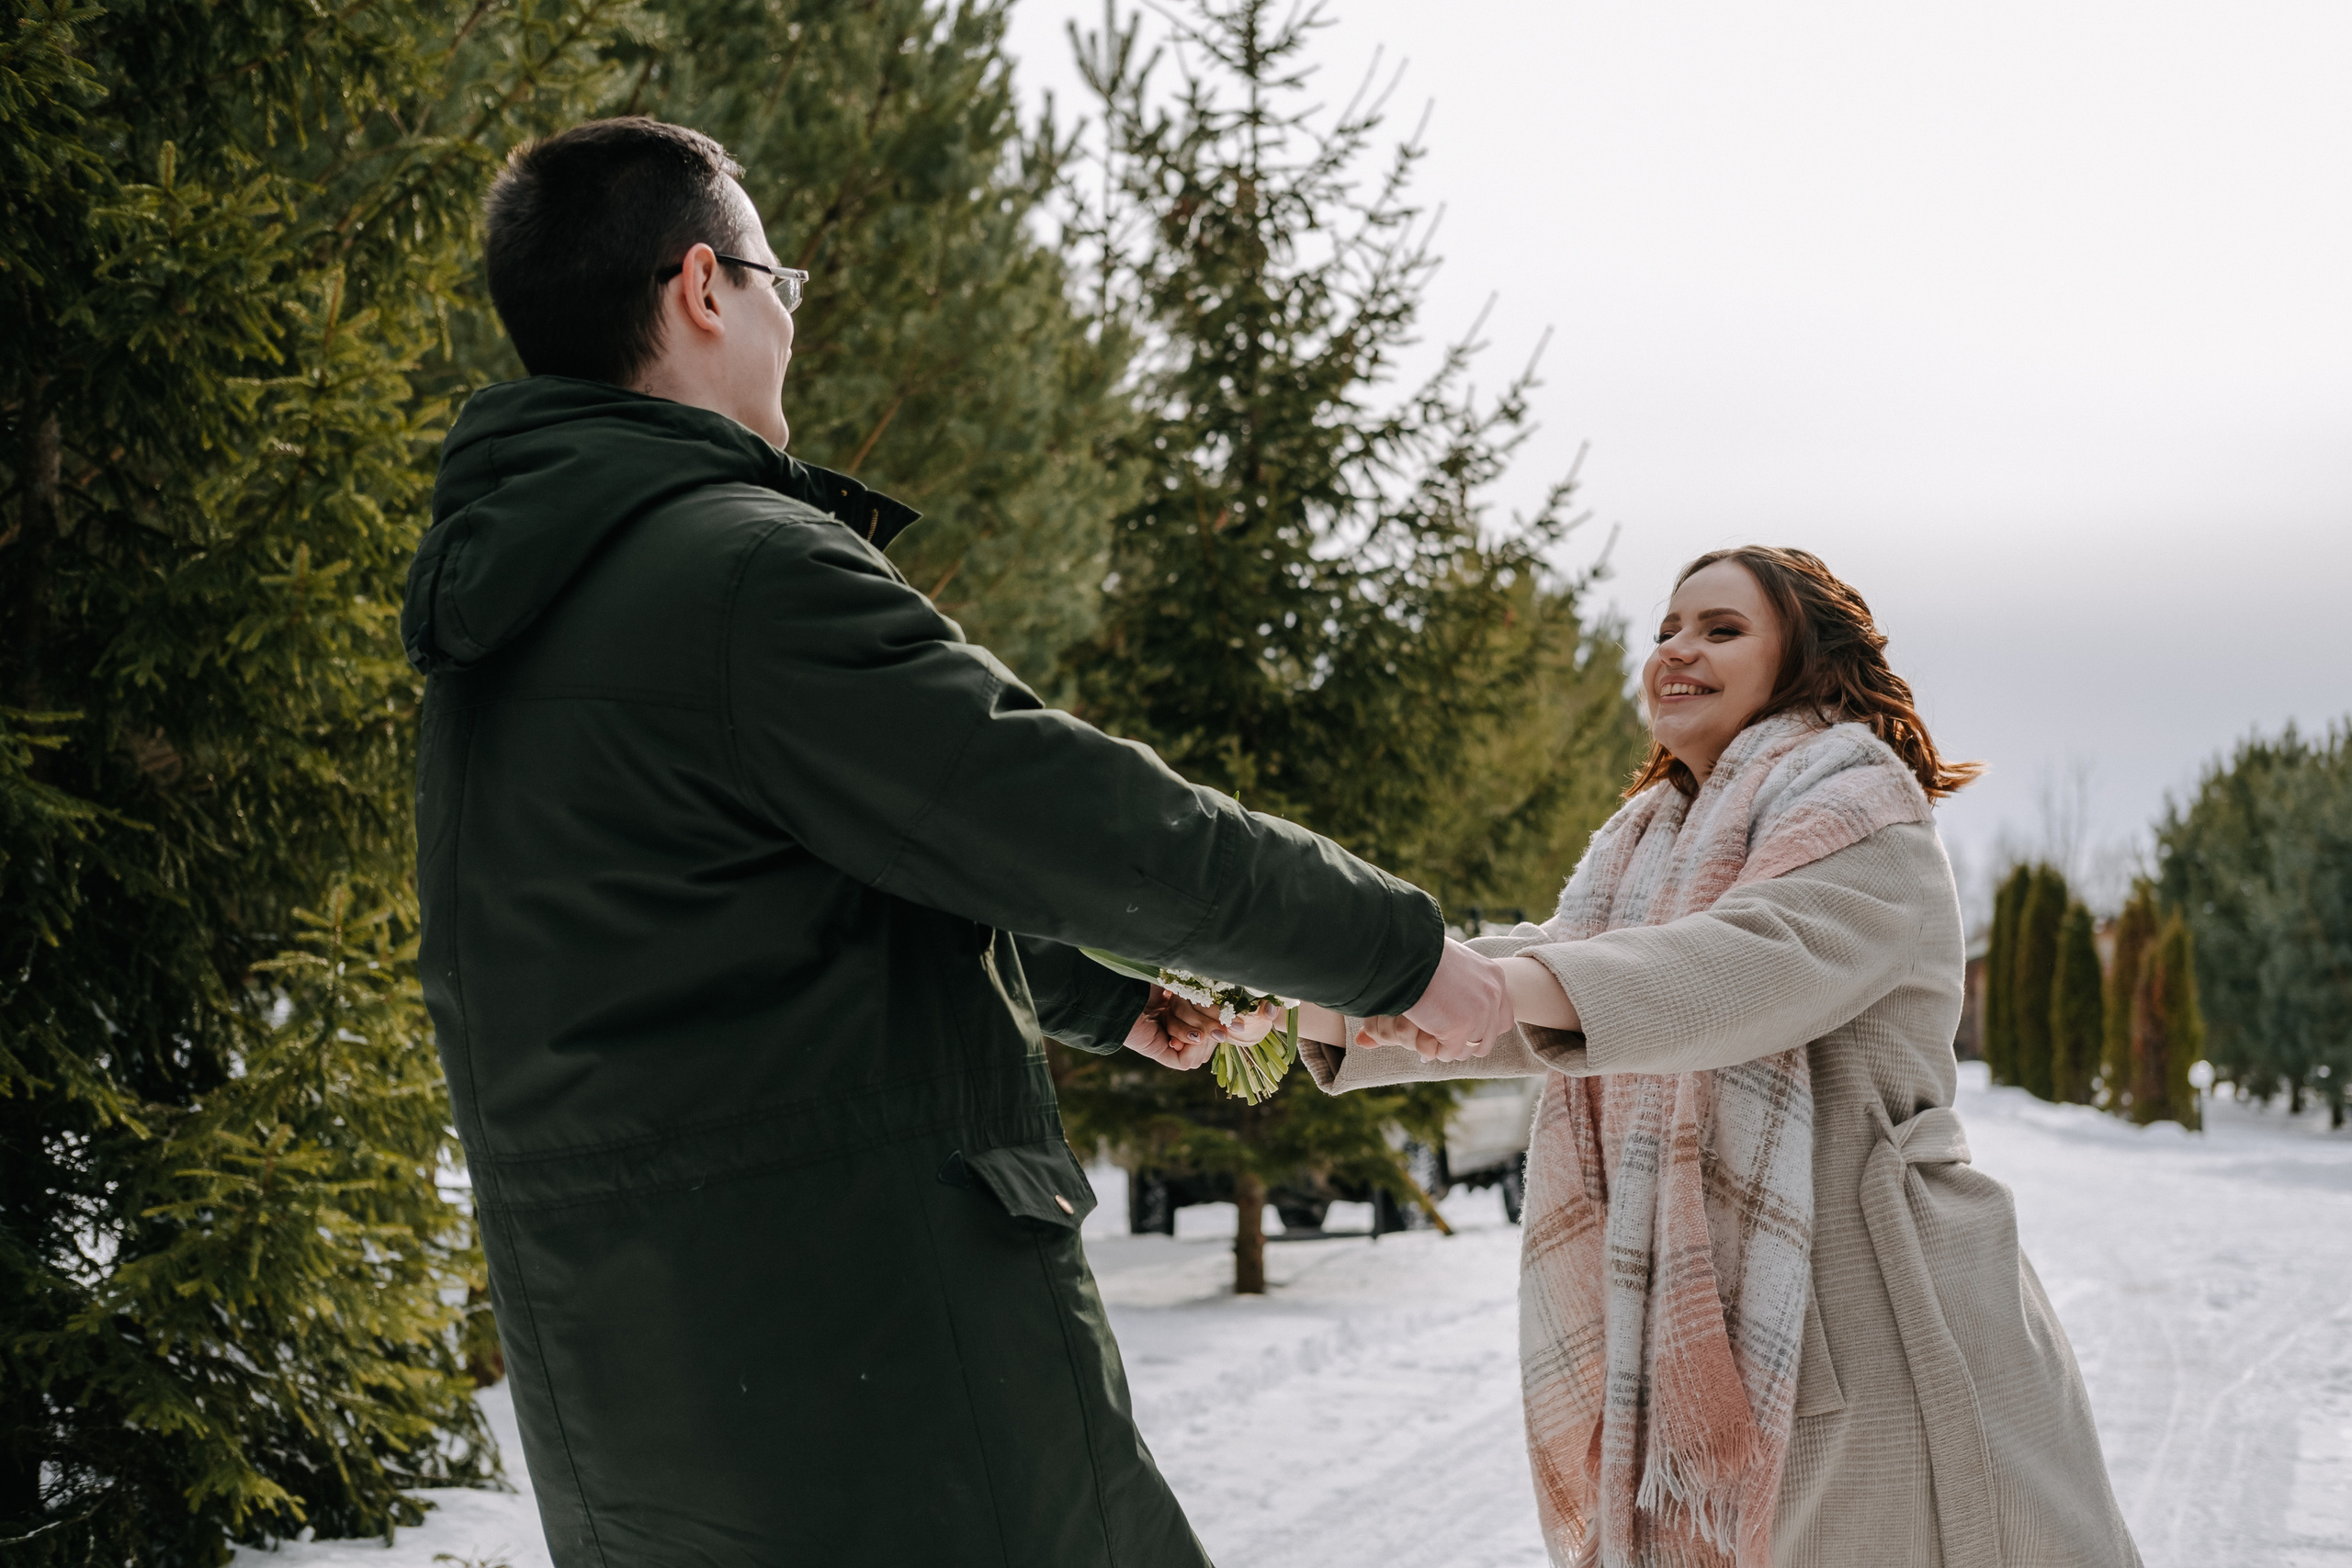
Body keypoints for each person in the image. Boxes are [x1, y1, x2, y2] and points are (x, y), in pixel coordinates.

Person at [401, 118, 1498, 1565]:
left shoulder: (514, 616)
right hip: (877, 1373)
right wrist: (1403, 954)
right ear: (701, 288)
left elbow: (779, 880)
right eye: (778, 275)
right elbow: (1079, 813)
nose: (791, 314)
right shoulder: (739, 571)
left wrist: (1104, 995)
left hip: (649, 1388)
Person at [1300, 547, 2142, 1567]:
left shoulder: (1864, 818)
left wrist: (1496, 984)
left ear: (1804, 661)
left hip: (1884, 1320)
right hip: (1741, 1335)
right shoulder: (1651, 845)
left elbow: (1737, 969)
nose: (1676, 651)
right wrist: (1340, 1001)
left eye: (1720, 629)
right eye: (1666, 629)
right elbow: (1592, 977)